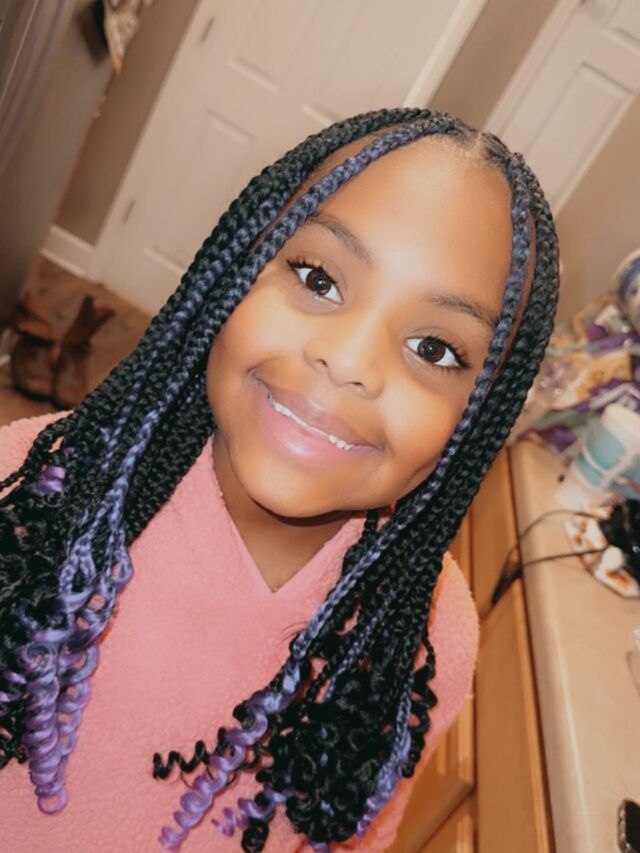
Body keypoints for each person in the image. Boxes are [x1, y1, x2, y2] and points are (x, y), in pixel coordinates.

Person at [0, 108, 559, 852]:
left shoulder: (424, 638)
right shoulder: (43, 489)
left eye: (435, 348)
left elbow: (352, 833)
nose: (348, 359)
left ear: (479, 418)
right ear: (236, 268)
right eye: (318, 279)